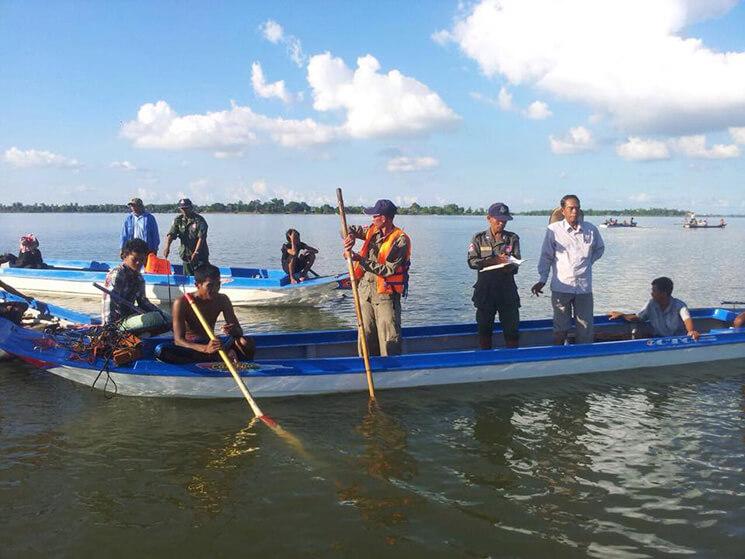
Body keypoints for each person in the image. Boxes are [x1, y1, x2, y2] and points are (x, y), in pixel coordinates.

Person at [532, 194, 605, 344]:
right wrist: (542, 279)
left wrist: (588, 262)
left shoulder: (590, 229)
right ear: (563, 211)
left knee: (585, 327)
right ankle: (558, 357)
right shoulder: (553, 230)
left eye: (577, 208)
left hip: (584, 287)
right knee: (560, 328)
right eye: (571, 208)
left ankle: (584, 358)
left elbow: (599, 249)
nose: (574, 212)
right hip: (562, 286)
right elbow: (546, 257)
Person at [343, 199, 411, 357]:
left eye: (375, 216)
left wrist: (359, 259)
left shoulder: (400, 240)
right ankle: (366, 367)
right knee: (365, 332)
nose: (372, 219)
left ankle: (391, 371)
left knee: (388, 336)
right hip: (365, 292)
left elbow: (388, 270)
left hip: (385, 295)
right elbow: (345, 229)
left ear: (384, 218)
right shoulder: (372, 230)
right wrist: (350, 236)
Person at [155, 264, 255, 364]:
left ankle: (241, 366)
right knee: (161, 350)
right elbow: (179, 340)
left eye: (218, 285)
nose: (215, 289)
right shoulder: (182, 302)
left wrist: (233, 330)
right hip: (192, 347)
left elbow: (239, 331)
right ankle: (218, 357)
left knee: (245, 342)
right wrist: (205, 349)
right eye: (210, 285)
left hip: (212, 343)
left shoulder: (223, 299)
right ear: (197, 285)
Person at [467, 202, 521, 349]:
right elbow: (472, 262)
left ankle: (513, 360)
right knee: (484, 331)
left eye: (504, 220)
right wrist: (493, 261)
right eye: (498, 219)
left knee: (512, 331)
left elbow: (516, 264)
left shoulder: (512, 239)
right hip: (485, 292)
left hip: (507, 292)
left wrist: (509, 265)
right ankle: (485, 361)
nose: (501, 223)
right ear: (489, 218)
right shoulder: (478, 238)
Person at [607, 277, 700, 340]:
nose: (651, 293)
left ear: (663, 294)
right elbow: (639, 318)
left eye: (654, 291)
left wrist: (691, 332)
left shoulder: (679, 305)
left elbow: (687, 319)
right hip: (658, 338)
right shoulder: (651, 304)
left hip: (677, 339)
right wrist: (622, 315)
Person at [102, 238, 162, 325]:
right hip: (117, 322)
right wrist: (109, 327)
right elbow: (108, 303)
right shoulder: (117, 275)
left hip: (130, 317)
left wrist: (159, 313)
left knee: (162, 316)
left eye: (142, 260)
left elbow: (143, 302)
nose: (138, 263)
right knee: (154, 319)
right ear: (125, 256)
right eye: (135, 259)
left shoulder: (139, 278)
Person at [163, 198, 209, 276]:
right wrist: (167, 247)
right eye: (182, 209)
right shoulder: (178, 220)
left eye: (186, 208)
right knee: (188, 277)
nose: (184, 210)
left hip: (200, 256)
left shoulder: (199, 220)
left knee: (201, 278)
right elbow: (171, 234)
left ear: (191, 207)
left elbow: (201, 238)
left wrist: (196, 252)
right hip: (186, 256)